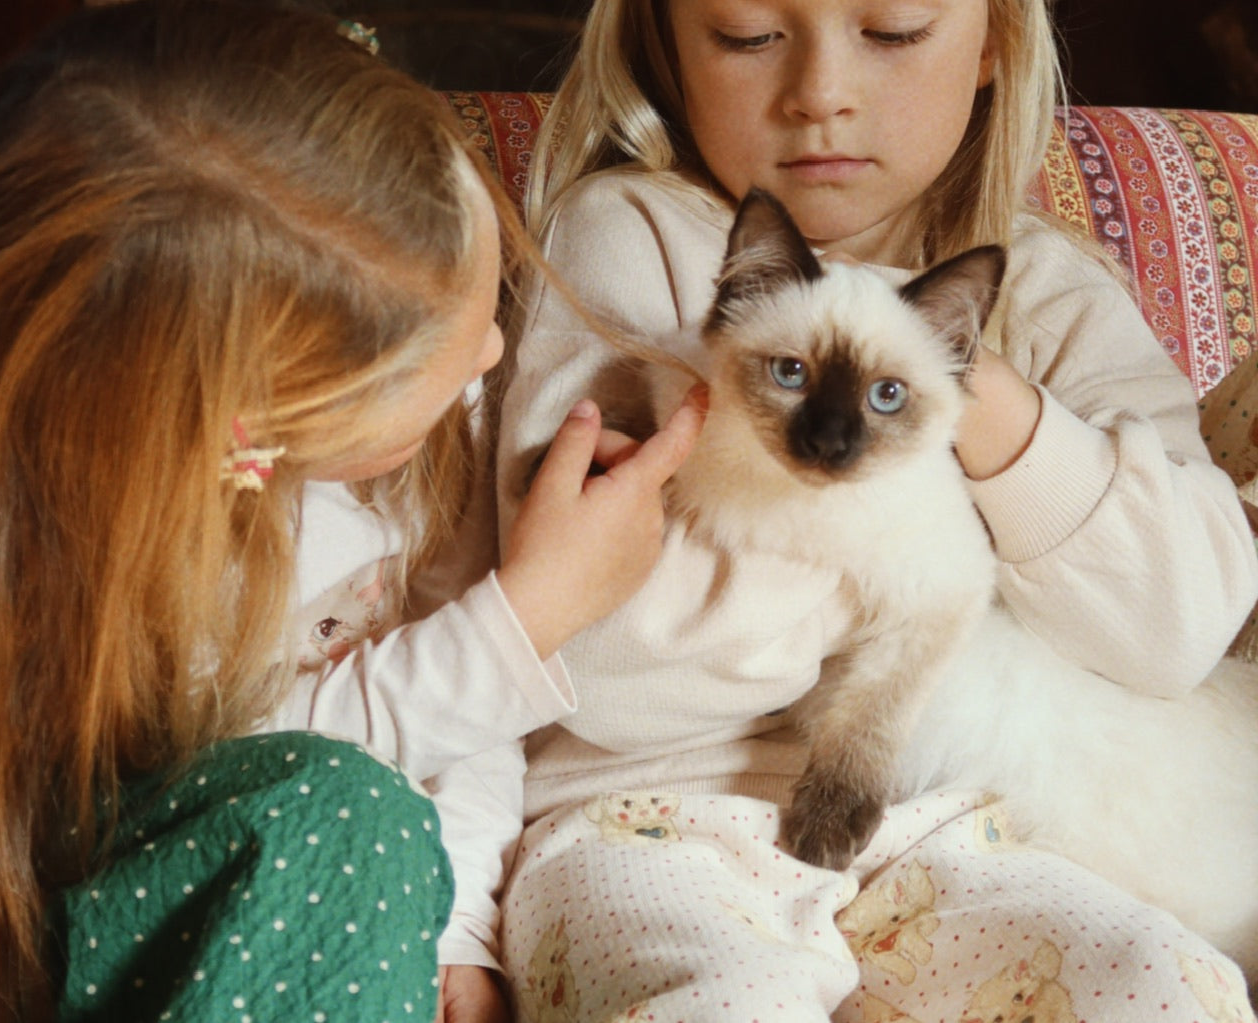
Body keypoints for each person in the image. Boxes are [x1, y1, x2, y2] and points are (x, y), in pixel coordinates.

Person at [0, 4, 709, 1022]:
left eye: (480, 303)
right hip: (96, 946)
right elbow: (279, 768)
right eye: (428, 356)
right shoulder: (103, 554)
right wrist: (523, 621)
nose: (488, 360)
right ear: (247, 415)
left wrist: (456, 926)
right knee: (346, 817)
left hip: (329, 928)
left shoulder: (414, 432)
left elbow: (457, 728)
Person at [494, 0, 1258, 1019]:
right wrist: (924, 561)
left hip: (945, 826)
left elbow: (1175, 633)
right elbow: (587, 659)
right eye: (749, 36)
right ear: (664, 46)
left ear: (991, 44)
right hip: (642, 815)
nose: (821, 96)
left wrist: (972, 388)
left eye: (893, 33)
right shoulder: (627, 237)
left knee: (1159, 987)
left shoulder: (1049, 292)